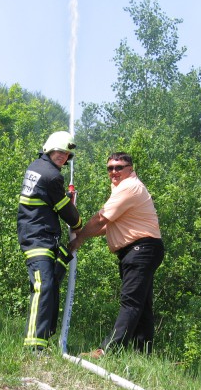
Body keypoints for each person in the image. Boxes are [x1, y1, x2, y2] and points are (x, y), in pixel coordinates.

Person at [69, 152, 164, 358]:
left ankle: (107, 351)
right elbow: (108, 227)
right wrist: (84, 233)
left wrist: (79, 239)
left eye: (119, 167)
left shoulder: (129, 188)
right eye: (110, 168)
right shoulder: (122, 188)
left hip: (141, 250)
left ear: (130, 168)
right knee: (142, 305)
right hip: (143, 250)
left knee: (130, 303)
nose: (114, 172)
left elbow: (101, 219)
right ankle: (143, 355)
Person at [17, 131, 82, 352]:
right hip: (38, 237)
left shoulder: (36, 167)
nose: (63, 157)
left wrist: (63, 199)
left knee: (50, 285)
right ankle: (34, 346)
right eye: (60, 152)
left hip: (39, 234)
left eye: (66, 155)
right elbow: (66, 211)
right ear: (49, 149)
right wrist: (78, 222)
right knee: (43, 286)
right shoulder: (51, 175)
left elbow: (50, 200)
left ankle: (42, 342)